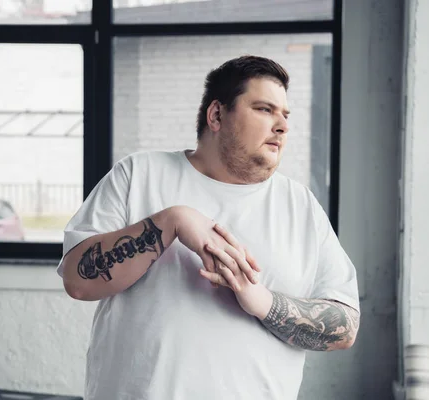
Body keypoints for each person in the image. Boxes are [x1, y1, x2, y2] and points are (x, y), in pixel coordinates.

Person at [57, 55, 360, 400]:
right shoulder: (138, 175)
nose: (282, 126)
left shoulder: (300, 206)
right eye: (264, 109)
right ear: (216, 115)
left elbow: (345, 327)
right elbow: (78, 281)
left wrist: (263, 303)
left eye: (285, 115)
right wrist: (171, 222)